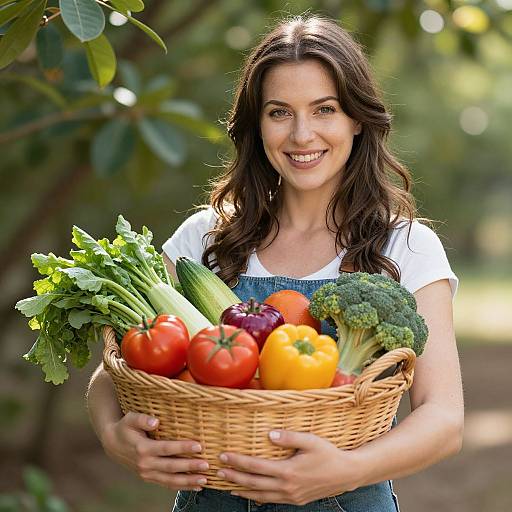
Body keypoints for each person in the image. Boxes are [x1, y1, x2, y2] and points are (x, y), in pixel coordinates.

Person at [86, 14, 464, 512]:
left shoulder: (405, 247)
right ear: (256, 124)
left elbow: (444, 418)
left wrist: (347, 470)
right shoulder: (204, 238)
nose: (302, 134)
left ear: (357, 118)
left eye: (324, 109)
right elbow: (112, 373)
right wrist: (114, 436)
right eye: (279, 112)